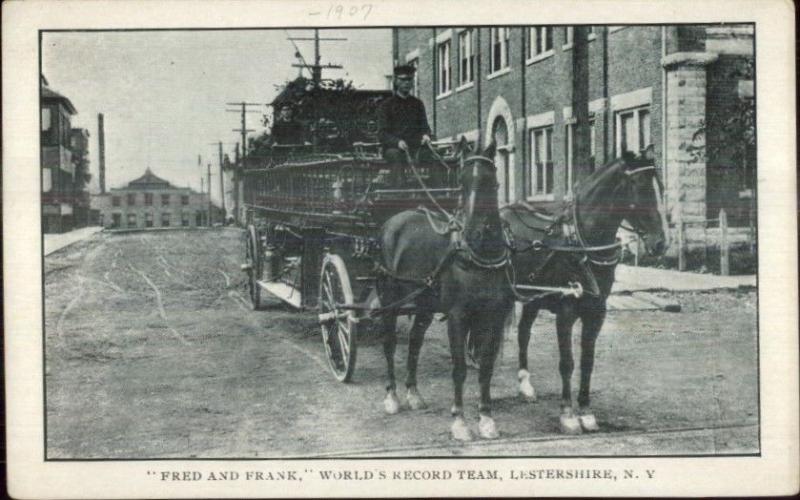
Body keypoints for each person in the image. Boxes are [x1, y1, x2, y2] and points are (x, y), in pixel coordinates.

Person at [378, 65, 433, 186]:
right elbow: (382, 134)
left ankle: (439, 192)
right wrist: (397, 142)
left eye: (409, 79)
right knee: (396, 156)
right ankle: (400, 192)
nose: (406, 83)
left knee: (432, 155)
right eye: (403, 80)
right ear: (396, 81)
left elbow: (425, 127)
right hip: (394, 149)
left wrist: (426, 136)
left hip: (415, 148)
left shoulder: (417, 104)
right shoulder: (386, 105)